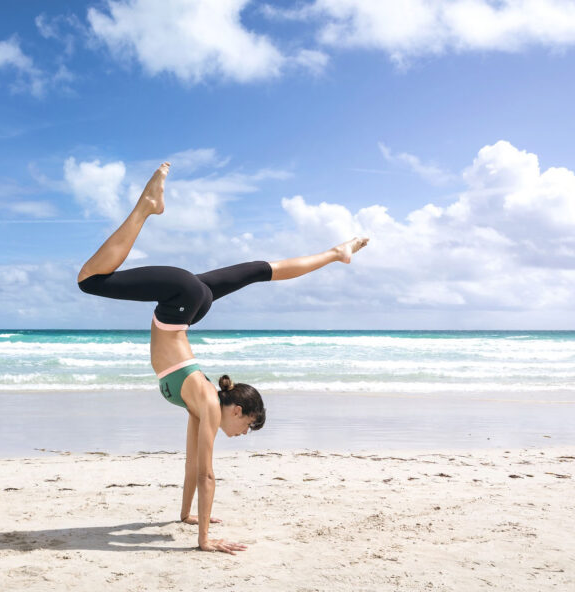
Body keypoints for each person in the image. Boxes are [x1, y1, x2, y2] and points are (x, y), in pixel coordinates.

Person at [77, 162, 368, 554]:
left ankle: (337, 252)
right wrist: (205, 542)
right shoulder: (210, 406)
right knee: (90, 281)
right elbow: (208, 476)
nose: (243, 434)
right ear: (236, 411)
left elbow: (192, 465)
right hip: (180, 299)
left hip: (191, 304)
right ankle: (146, 206)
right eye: (247, 426)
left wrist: (186, 516)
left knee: (262, 271)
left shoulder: (201, 404)